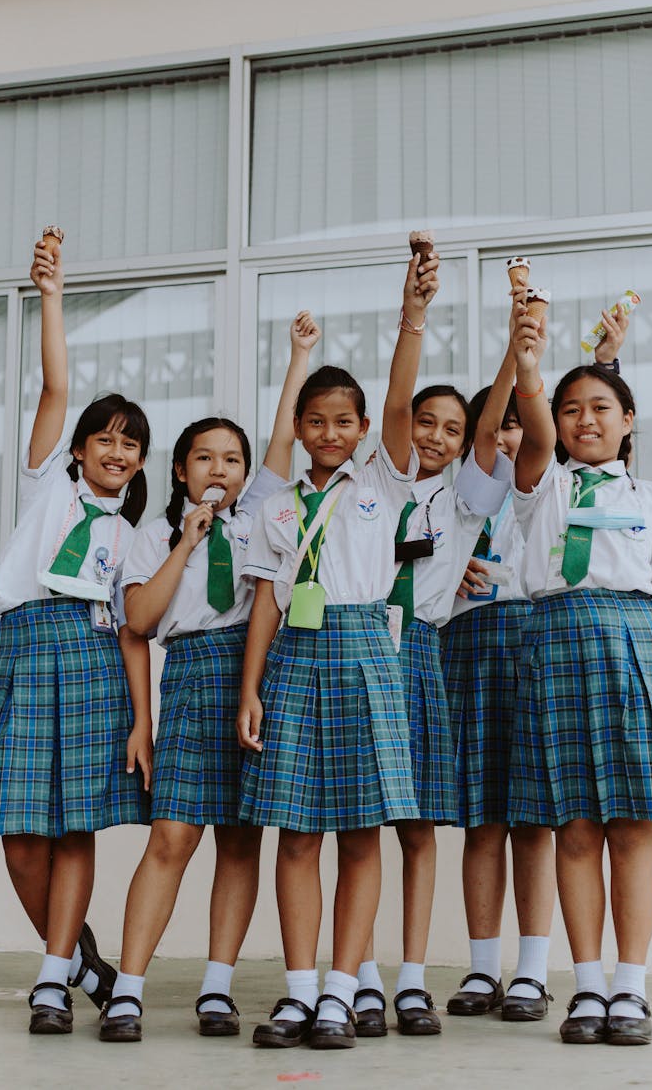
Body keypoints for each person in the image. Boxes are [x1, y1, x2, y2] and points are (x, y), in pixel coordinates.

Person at [98, 313, 320, 1043]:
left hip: (258, 671)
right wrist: (186, 540)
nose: (219, 469)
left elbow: (286, 435)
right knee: (171, 835)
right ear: (179, 470)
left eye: (232, 459)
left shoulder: (262, 511)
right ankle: (128, 988)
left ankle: (218, 986)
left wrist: (298, 358)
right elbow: (139, 620)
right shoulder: (151, 535)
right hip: (193, 673)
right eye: (204, 458)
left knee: (239, 839)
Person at [236, 250, 438, 1050]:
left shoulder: (386, 482)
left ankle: (343, 991)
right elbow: (262, 604)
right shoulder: (275, 508)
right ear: (296, 429)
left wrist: (411, 318)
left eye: (343, 422)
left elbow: (399, 399)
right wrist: (250, 689)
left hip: (364, 651)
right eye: (314, 421)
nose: (329, 433)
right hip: (293, 655)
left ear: (362, 431)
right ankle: (297, 990)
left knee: (360, 831)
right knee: (296, 830)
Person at [0, 236, 152, 1034]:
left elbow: (136, 628)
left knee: (73, 821)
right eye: (104, 437)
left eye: (130, 443)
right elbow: (55, 382)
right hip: (25, 647)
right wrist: (53, 296)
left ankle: (50, 976)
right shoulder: (46, 487)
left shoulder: (133, 533)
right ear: (76, 450)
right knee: (18, 824)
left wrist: (144, 718)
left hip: (92, 653)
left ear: (140, 465)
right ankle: (76, 956)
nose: (115, 449)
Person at [507, 300, 652, 1046]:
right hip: (554, 648)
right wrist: (529, 361)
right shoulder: (542, 488)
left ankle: (631, 987)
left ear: (628, 420)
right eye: (569, 409)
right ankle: (586, 986)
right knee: (575, 825)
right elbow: (530, 418)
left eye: (600, 407)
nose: (584, 419)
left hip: (634, 651)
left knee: (631, 825)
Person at [442, 296, 629, 1024]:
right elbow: (489, 426)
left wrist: (599, 361)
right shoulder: (470, 491)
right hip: (473, 647)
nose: (516, 434)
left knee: (538, 814)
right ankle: (483, 966)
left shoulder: (559, 480)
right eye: (504, 425)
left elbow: (596, 429)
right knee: (483, 816)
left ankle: (532, 967)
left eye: (529, 422)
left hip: (541, 639)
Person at [354, 355, 518, 1038]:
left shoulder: (464, 503)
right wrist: (413, 317)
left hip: (420, 650)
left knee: (417, 828)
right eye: (427, 421)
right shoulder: (365, 488)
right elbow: (395, 403)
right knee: (355, 820)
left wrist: (516, 346)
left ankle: (412, 979)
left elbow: (490, 436)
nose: (439, 437)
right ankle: (358, 976)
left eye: (454, 429)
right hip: (358, 644)